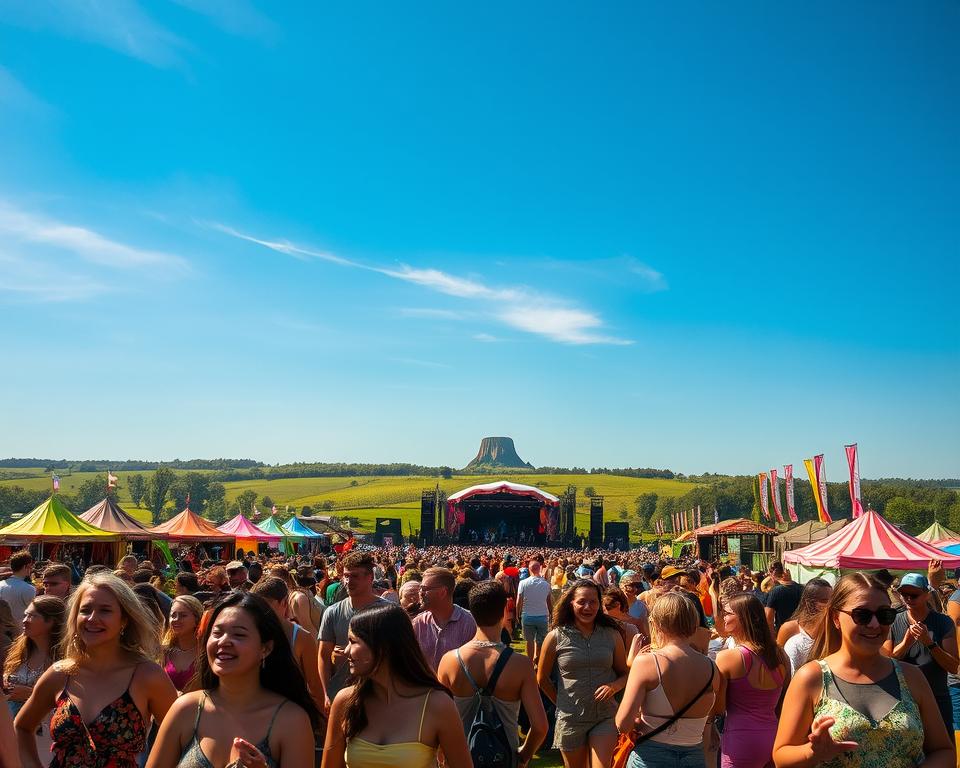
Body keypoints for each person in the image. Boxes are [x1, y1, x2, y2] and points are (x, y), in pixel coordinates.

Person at [772, 572, 954, 768]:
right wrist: (812, 752)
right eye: (862, 615)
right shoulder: (811, 678)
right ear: (835, 618)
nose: (875, 624)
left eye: (884, 614)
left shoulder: (911, 677)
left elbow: (944, 751)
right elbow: (782, 756)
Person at [14, 572, 178, 768]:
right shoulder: (59, 674)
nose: (92, 618)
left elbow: (180, 737)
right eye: (85, 610)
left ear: (124, 619)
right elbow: (22, 727)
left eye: (105, 610)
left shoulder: (147, 675)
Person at [147, 591, 317, 768]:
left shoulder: (291, 720)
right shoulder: (185, 709)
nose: (224, 641)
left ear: (265, 648)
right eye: (217, 633)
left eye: (239, 635)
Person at [321, 602, 472, 768]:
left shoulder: (438, 704)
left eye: (353, 641)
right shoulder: (346, 701)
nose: (346, 651)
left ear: (383, 646)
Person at [438, 581, 548, 768]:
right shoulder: (520, 665)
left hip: (459, 758)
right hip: (503, 757)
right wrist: (524, 756)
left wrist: (442, 755)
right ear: (505, 610)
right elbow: (540, 726)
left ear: (471, 612)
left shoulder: (450, 661)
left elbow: (437, 719)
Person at [616, 591, 720, 768]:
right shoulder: (712, 668)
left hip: (651, 756)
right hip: (694, 755)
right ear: (694, 623)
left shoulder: (647, 662)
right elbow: (709, 716)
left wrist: (638, 721)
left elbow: (622, 723)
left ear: (656, 624)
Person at [538, 579, 628, 768]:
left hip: (604, 716)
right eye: (581, 602)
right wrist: (562, 703)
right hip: (571, 719)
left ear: (600, 604)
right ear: (571, 603)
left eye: (593, 602)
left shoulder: (611, 634)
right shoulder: (555, 636)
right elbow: (542, 678)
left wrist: (614, 686)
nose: (587, 607)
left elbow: (625, 674)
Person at [714, 593, 789, 768]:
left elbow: (719, 707)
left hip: (740, 740)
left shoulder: (728, 658)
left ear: (742, 618)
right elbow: (783, 700)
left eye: (727, 613)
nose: (723, 617)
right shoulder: (780, 655)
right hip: (773, 736)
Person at [883, 572, 959, 732]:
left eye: (914, 595)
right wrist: (905, 644)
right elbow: (885, 661)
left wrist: (930, 643)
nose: (908, 599)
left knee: (942, 748)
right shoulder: (894, 621)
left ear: (926, 595)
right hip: (902, 700)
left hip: (936, 698)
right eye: (904, 594)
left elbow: (953, 666)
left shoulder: (943, 622)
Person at [317, 552, 388, 714]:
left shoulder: (388, 612)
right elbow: (323, 655)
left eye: (355, 576)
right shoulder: (332, 612)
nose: (348, 581)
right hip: (341, 694)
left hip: (379, 696)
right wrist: (326, 693)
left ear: (370, 578)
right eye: (346, 576)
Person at [251, 577, 325, 716]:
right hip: (258, 715)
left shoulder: (301, 637)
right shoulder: (248, 633)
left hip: (287, 716)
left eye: (266, 606)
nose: (261, 611)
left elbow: (315, 687)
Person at [3, 595, 66, 758]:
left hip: (46, 735)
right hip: (12, 729)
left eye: (32, 616)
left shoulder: (64, 659)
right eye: (25, 615)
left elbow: (72, 702)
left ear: (52, 622)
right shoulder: (19, 652)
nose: (24, 620)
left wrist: (31, 694)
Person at [412, 567, 477, 671]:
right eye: (420, 589)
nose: (420, 593)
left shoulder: (470, 623)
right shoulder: (418, 624)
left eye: (424, 589)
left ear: (442, 592)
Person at [777, 579, 832, 675]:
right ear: (808, 602)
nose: (830, 605)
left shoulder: (834, 629)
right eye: (824, 601)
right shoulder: (788, 629)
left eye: (832, 600)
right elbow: (778, 663)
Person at [162, 596, 202, 694]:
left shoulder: (206, 652)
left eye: (183, 615)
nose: (176, 619)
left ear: (197, 619)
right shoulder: (163, 652)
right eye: (173, 615)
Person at [517, 560, 554, 665]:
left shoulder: (523, 583)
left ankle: (530, 663)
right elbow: (549, 603)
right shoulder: (546, 584)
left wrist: (517, 614)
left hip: (528, 616)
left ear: (529, 569)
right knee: (540, 641)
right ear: (540, 569)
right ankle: (537, 659)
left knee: (529, 641)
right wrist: (552, 614)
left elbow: (518, 601)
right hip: (542, 616)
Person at [0, 551, 36, 629]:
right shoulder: (28, 588)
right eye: (30, 566)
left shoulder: (1, 584)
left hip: (3, 631)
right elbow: (33, 612)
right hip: (20, 631)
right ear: (25, 567)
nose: (31, 569)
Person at [762, 562, 801, 634]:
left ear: (771, 573)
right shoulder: (802, 588)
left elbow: (768, 619)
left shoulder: (775, 591)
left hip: (782, 633)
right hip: (800, 632)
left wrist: (772, 640)